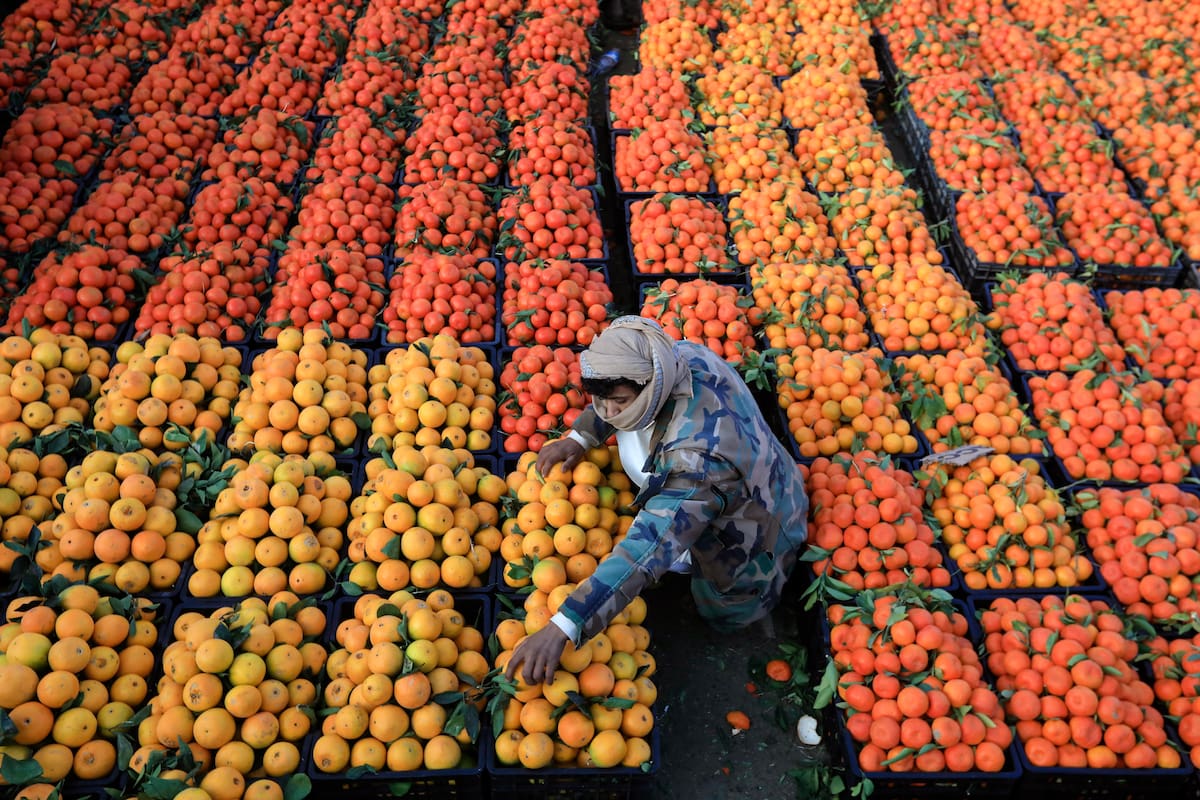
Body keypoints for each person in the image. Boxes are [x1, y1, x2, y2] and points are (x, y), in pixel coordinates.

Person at [505, 316, 809, 685]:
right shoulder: (675, 357)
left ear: (654, 384)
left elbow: (647, 549)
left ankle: (741, 617)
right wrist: (581, 436)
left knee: (727, 599)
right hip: (750, 474)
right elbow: (611, 395)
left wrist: (566, 624)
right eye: (603, 400)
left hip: (757, 524)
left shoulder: (694, 462)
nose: (610, 410)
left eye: (620, 402)